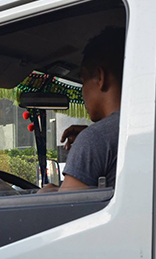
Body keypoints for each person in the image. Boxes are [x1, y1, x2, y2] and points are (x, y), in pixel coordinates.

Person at [42, 26, 125, 192]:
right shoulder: (148, 127)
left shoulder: (94, 139)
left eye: (83, 81)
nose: (82, 92)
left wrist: (44, 195)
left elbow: (65, 210)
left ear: (100, 77)